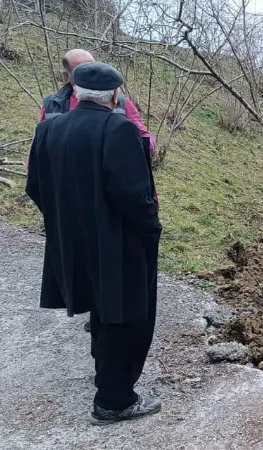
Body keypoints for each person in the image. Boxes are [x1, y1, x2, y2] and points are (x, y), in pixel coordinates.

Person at [25, 61, 163, 425]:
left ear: (75, 90)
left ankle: (105, 374)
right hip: (118, 243)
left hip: (70, 239)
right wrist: (152, 231)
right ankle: (114, 401)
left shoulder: (48, 128)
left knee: (101, 309)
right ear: (114, 95)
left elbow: (34, 186)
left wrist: (63, 219)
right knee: (126, 316)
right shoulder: (118, 128)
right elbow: (133, 196)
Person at [31, 48, 158, 334]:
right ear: (68, 77)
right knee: (94, 267)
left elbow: (143, 136)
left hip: (102, 204)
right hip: (78, 207)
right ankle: (105, 334)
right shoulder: (52, 105)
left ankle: (100, 319)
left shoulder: (120, 106)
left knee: (102, 269)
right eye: (82, 69)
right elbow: (37, 166)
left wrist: (141, 147)